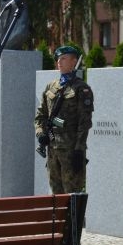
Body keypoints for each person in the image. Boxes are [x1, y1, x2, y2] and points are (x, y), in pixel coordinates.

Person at [34, 46, 94, 194]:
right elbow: (40, 115)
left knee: (72, 197)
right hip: (52, 149)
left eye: (64, 58)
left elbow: (84, 122)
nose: (59, 62)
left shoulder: (81, 88)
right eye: (58, 59)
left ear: (74, 62)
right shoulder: (51, 86)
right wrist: (40, 133)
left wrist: (79, 149)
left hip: (71, 149)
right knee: (55, 195)